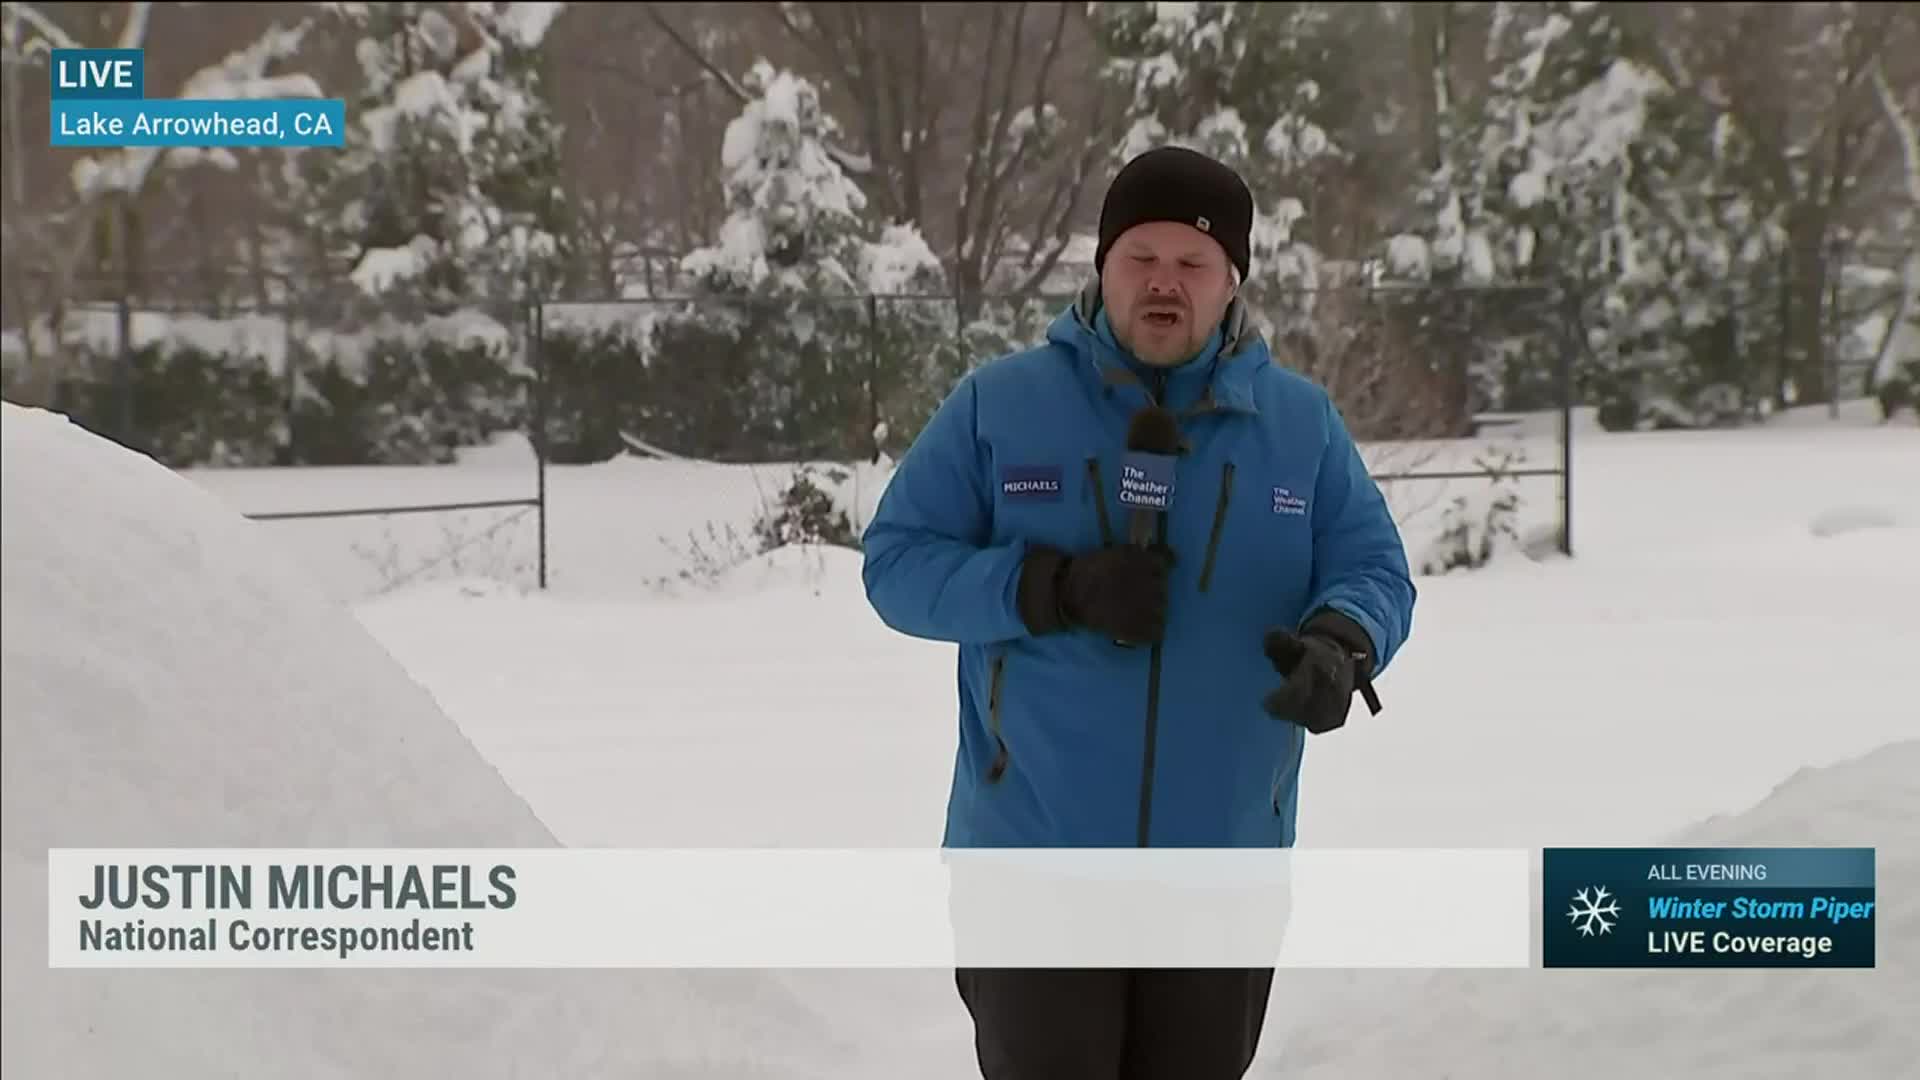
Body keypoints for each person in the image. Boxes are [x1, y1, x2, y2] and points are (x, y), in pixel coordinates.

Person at [859, 146, 1418, 1078]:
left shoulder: (1300, 425)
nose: (1166, 283)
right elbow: (896, 565)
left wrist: (1342, 643)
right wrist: (1049, 589)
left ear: (1231, 280)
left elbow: (1375, 571)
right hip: (1032, 860)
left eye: (1193, 264)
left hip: (1223, 866)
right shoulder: (1000, 407)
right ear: (1104, 267)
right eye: (1141, 258)